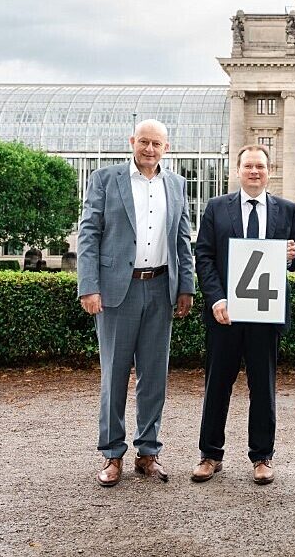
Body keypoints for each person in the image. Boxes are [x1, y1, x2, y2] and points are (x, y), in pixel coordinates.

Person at [76, 119, 195, 487]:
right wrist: (88, 286)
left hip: (160, 288)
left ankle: (148, 452)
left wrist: (186, 288)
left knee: (154, 377)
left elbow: (182, 239)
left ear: (166, 148)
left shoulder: (176, 184)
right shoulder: (106, 179)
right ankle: (112, 455)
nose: (149, 149)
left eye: (156, 143)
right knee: (113, 375)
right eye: (143, 141)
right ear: (132, 141)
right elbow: (89, 234)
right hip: (117, 291)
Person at [192, 144, 295, 485]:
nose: (254, 172)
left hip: (265, 313)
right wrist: (216, 298)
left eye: (260, 166)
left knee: (263, 387)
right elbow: (205, 256)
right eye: (248, 166)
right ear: (237, 171)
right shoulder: (216, 208)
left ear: (268, 171)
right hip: (225, 313)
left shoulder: (287, 210)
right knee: (217, 385)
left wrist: (291, 257)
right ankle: (210, 455)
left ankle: (262, 457)